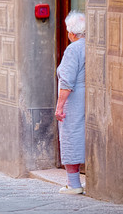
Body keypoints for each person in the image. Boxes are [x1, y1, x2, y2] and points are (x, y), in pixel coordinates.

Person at [55, 10, 86, 194]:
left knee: (70, 134)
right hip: (86, 97)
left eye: (68, 30)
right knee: (82, 134)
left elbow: (66, 82)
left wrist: (59, 107)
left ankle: (73, 184)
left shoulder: (73, 49)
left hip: (73, 99)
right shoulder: (89, 46)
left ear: (72, 33)